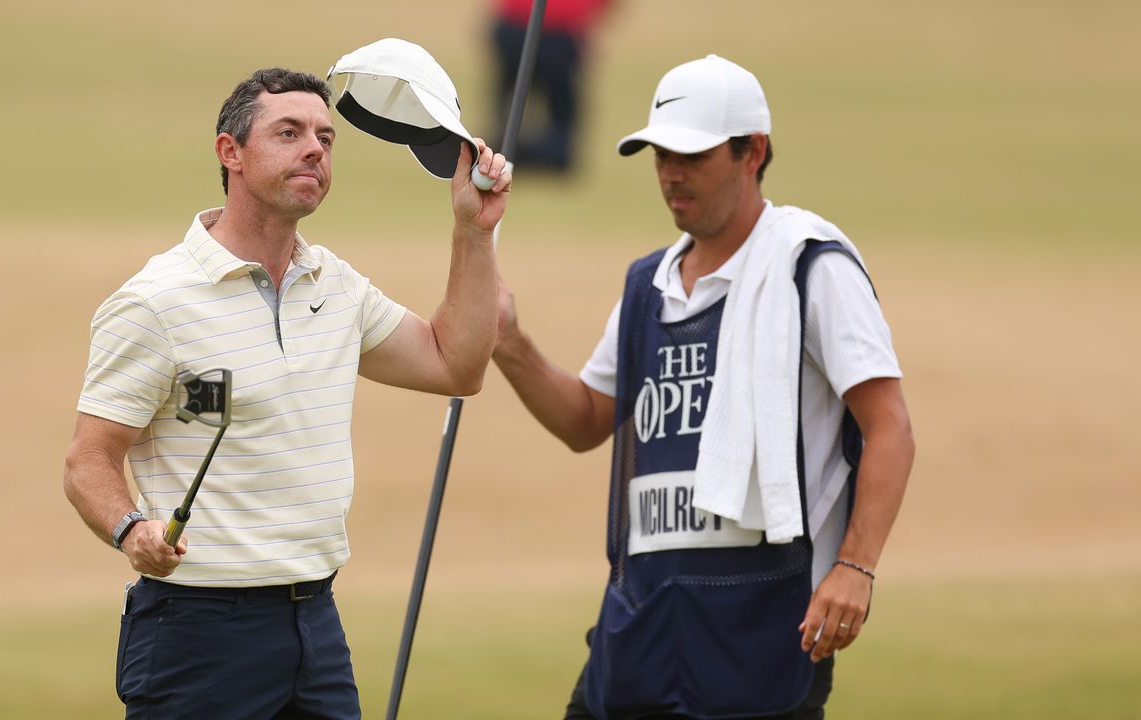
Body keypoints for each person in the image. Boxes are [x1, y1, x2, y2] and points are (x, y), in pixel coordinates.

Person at [63, 67, 511, 719]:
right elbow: (87, 459)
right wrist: (132, 529)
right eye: (289, 133)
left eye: (327, 139)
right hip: (199, 634)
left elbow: (456, 366)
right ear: (230, 153)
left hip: (315, 628)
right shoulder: (156, 302)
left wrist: (474, 232)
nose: (315, 150)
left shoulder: (335, 284)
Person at [491, 54, 915, 719]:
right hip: (639, 634)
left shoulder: (810, 266)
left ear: (754, 152)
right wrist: (509, 345)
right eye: (660, 155)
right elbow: (586, 419)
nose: (670, 173)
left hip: (764, 638)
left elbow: (889, 424)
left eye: (692, 155)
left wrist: (856, 566)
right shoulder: (645, 286)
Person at [489, 0, 611, 173]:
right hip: (546, 33)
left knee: (514, 101)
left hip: (528, 29)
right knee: (555, 107)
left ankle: (513, 153)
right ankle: (520, 154)